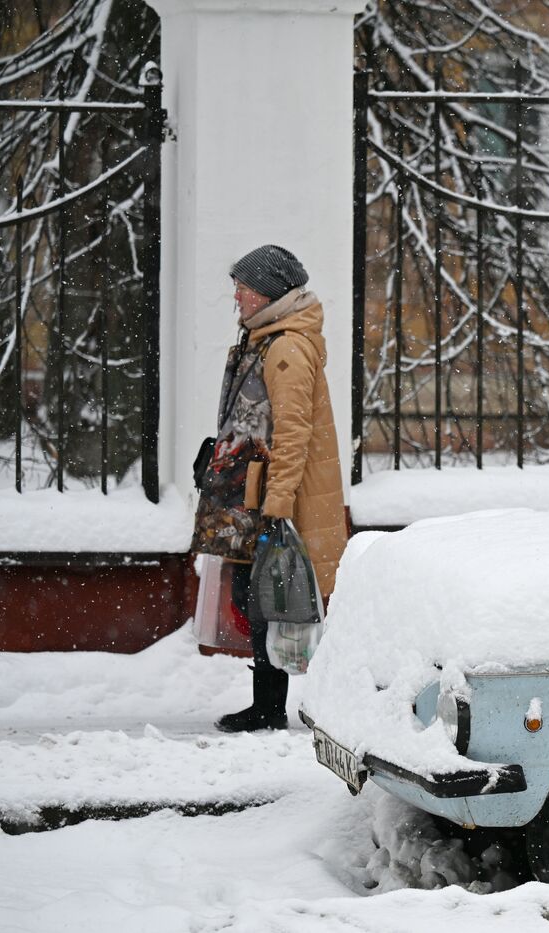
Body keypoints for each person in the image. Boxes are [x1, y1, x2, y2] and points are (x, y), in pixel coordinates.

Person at [192, 244, 347, 732]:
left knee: (269, 601)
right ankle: (269, 705)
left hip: (268, 501)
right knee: (256, 599)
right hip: (250, 495)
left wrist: (277, 509)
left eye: (244, 286)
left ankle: (272, 708)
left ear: (267, 293)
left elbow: (293, 435)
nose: (236, 295)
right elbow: (251, 420)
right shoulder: (264, 339)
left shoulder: (286, 347)